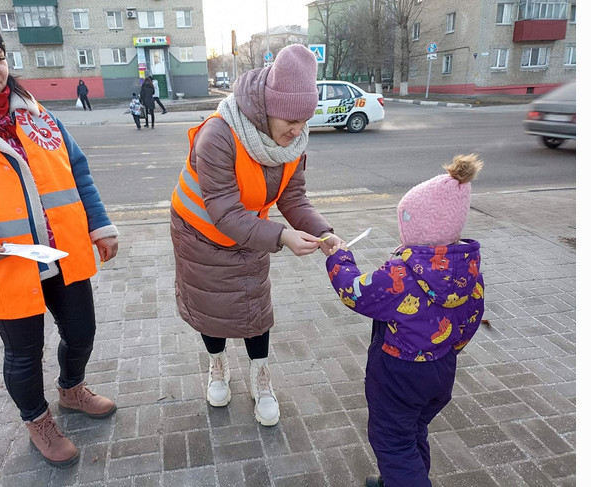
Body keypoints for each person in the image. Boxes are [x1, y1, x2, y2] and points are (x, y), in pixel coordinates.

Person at [0, 2, 119, 469]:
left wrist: (99, 224)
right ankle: (37, 420)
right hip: (5, 263)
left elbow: (76, 171)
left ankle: (72, 391)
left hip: (63, 253)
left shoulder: (34, 112)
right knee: (23, 354)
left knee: (82, 333)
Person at [170, 44, 344, 426]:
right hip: (199, 232)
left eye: (306, 120)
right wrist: (281, 237)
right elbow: (224, 211)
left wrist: (323, 232)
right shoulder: (219, 133)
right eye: (291, 121)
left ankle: (260, 377)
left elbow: (294, 196)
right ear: (267, 108)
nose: (298, 131)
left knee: (254, 307)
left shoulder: (294, 141)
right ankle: (217, 366)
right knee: (209, 305)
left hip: (250, 229)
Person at [324, 154, 486, 486]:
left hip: (400, 375)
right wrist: (448, 349)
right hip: (441, 370)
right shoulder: (469, 270)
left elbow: (356, 293)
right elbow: (472, 317)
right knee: (412, 431)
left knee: (393, 442)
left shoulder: (402, 273)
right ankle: (400, 479)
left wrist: (339, 257)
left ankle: (403, 479)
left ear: (416, 227)